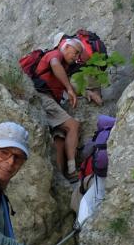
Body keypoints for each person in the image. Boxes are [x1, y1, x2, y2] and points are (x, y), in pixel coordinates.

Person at [32, 35, 104, 181]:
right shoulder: (55, 54)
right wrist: (69, 89)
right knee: (73, 125)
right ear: (66, 47)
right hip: (44, 98)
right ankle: (72, 170)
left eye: (79, 54)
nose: (76, 57)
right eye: (75, 52)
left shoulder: (64, 65)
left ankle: (61, 176)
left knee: (59, 137)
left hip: (49, 101)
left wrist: (86, 92)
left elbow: (69, 85)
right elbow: (55, 65)